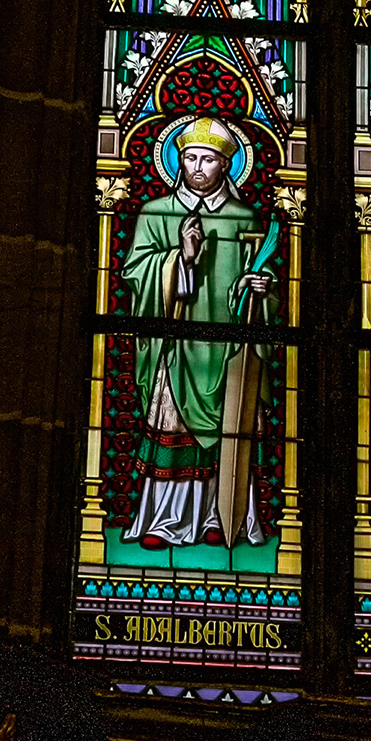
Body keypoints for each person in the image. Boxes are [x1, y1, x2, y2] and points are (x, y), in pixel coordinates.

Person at [121, 116, 273, 548]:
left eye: (209, 159)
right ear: (179, 162)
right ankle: (163, 522)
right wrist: (180, 259)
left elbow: (260, 286)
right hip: (176, 345)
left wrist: (259, 289)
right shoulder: (156, 213)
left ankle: (220, 517)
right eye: (190, 158)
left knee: (229, 427)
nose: (199, 167)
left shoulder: (244, 217)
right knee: (174, 425)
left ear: (226, 165)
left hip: (226, 347)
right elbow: (135, 274)